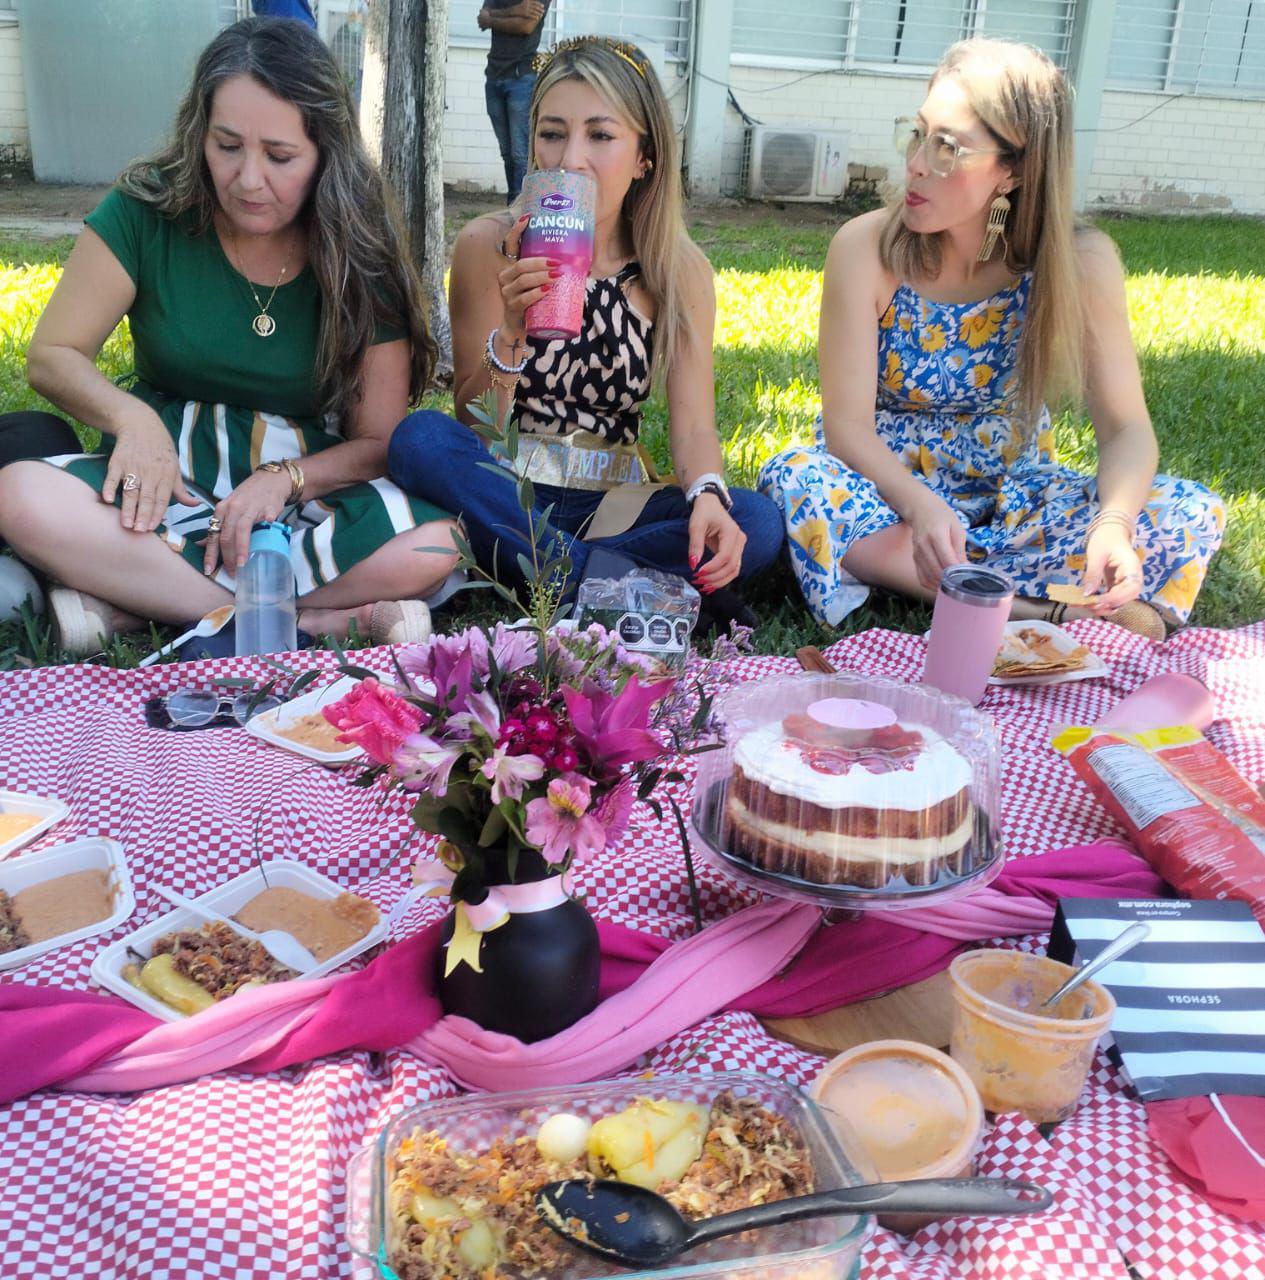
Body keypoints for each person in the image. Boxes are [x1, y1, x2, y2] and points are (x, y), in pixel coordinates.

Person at [0, 17, 459, 658]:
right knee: (20, 496)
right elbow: (53, 355)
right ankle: (311, 623)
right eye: (227, 146)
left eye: (279, 156)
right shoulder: (147, 212)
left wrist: (283, 479)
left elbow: (378, 443)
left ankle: (135, 605)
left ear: (326, 153)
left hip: (303, 496)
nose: (247, 179)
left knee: (438, 543)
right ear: (200, 133)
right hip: (166, 481)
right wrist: (132, 421)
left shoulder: (361, 252)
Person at [758, 39, 1225, 638]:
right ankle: (1047, 611)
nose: (917, 163)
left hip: (1016, 495)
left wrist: (1113, 525)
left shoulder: (1079, 263)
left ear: (1014, 170)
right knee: (798, 478)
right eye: (918, 134)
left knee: (1188, 510)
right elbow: (846, 429)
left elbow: (1126, 428)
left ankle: (968, 578)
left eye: (947, 148)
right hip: (888, 490)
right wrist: (921, 505)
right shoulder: (866, 247)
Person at [387, 36, 784, 631]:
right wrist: (513, 331)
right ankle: (612, 588)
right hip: (509, 490)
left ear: (645, 157)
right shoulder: (487, 245)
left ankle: (558, 577)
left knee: (756, 521)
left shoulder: (678, 271)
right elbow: (473, 426)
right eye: (552, 133)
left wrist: (706, 493)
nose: (570, 158)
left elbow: (695, 427)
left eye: (600, 135)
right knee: (419, 438)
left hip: (615, 505)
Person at [478, 0, 551, 202]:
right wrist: (517, 10)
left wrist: (493, 17)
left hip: (521, 78)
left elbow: (526, 26)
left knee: (520, 153)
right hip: (494, 76)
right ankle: (514, 206)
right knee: (507, 152)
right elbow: (482, 18)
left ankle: (520, 207)